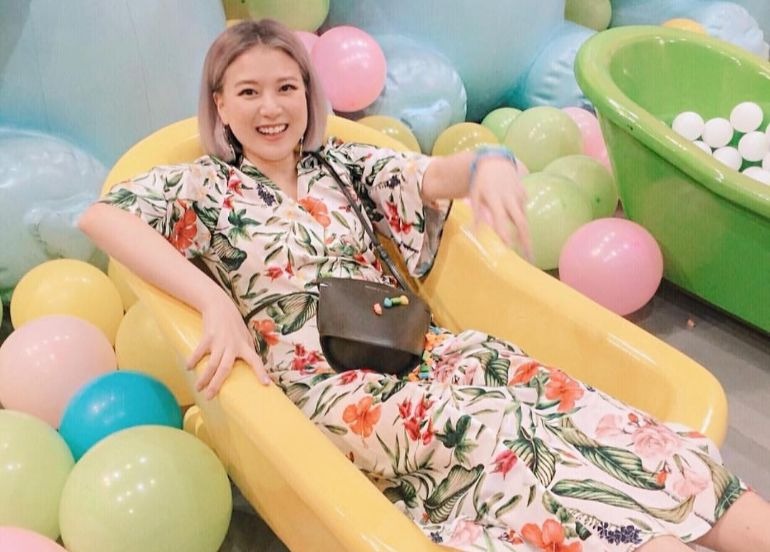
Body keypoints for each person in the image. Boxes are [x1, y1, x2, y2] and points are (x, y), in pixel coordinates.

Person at [78, 18, 770, 552]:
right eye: (249, 91)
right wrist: (211, 300)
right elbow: (102, 216)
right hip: (336, 389)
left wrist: (491, 160)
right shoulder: (200, 186)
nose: (271, 108)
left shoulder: (339, 166)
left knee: (561, 402)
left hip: (422, 348)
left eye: (286, 88)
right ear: (220, 105)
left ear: (308, 96)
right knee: (501, 432)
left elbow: (429, 176)